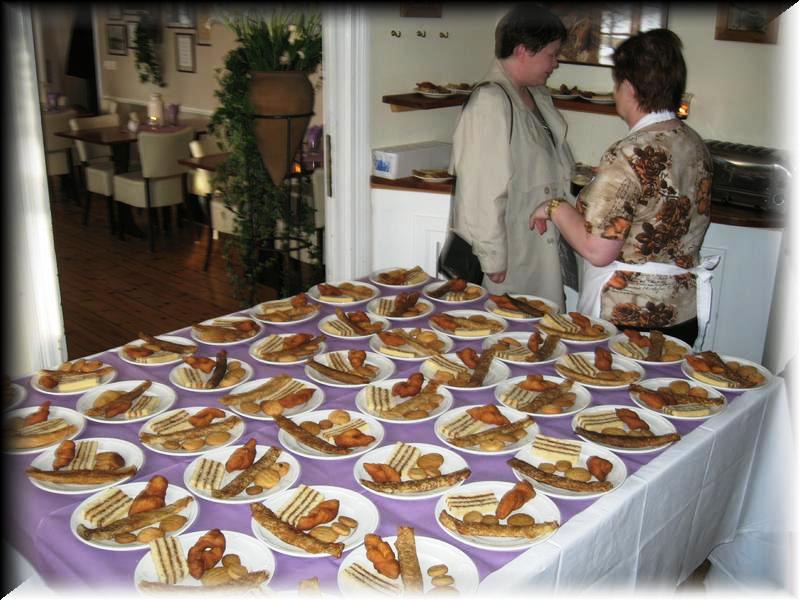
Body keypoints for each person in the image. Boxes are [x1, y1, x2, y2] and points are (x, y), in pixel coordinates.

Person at [529, 29, 715, 347]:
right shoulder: (694, 143)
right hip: (682, 312)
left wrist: (554, 207)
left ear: (628, 87)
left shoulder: (629, 154)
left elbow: (598, 250)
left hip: (630, 318)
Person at [446, 4, 576, 309]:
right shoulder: (490, 102)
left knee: (540, 326)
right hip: (511, 255)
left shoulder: (536, 96)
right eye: (551, 54)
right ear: (523, 51)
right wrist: (493, 259)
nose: (555, 63)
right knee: (509, 329)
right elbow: (481, 191)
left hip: (536, 247)